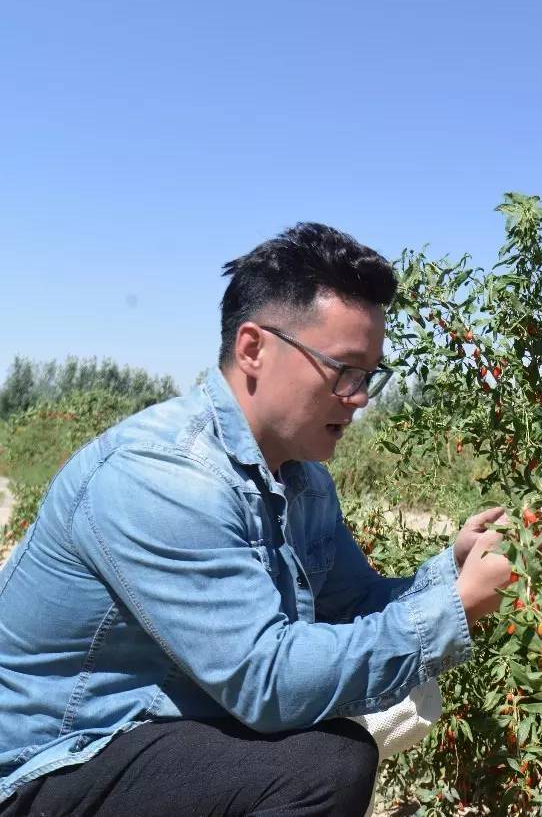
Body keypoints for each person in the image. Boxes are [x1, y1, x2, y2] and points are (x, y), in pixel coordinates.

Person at [0, 223, 514, 816]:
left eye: (370, 375)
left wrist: (451, 575)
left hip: (149, 734)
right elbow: (266, 682)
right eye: (344, 369)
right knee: (320, 767)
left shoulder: (302, 477)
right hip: (52, 764)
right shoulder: (164, 477)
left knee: (324, 754)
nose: (360, 397)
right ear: (253, 349)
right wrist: (457, 609)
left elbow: (354, 603)